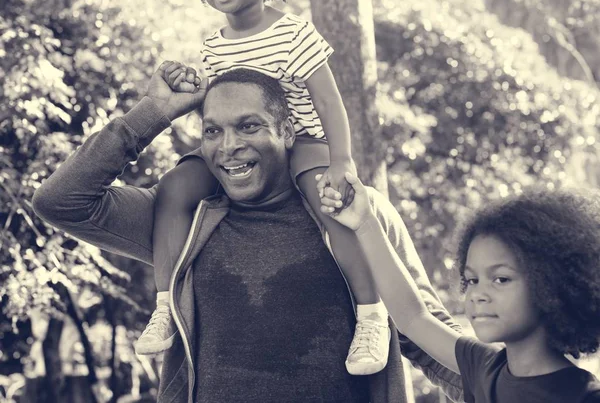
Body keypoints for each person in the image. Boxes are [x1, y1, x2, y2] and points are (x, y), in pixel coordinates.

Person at [32, 66, 463, 403]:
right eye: (213, 130)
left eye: (249, 126)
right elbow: (60, 201)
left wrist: (507, 382)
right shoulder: (183, 223)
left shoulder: (351, 213)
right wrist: (153, 111)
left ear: (288, 132)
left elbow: (424, 333)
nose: (228, 146)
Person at [139, 0, 389, 376]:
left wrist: (342, 162)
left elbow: (330, 103)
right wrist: (184, 81)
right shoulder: (214, 44)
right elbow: (218, 108)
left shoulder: (293, 33)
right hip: (243, 147)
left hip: (299, 141)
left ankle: (370, 315)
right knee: (172, 189)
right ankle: (164, 305)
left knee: (330, 200)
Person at [319, 172, 600, 402]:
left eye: (500, 279)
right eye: (472, 280)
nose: (477, 294)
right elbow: (413, 318)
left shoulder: (583, 396)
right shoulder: (484, 367)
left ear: (550, 284)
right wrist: (365, 222)